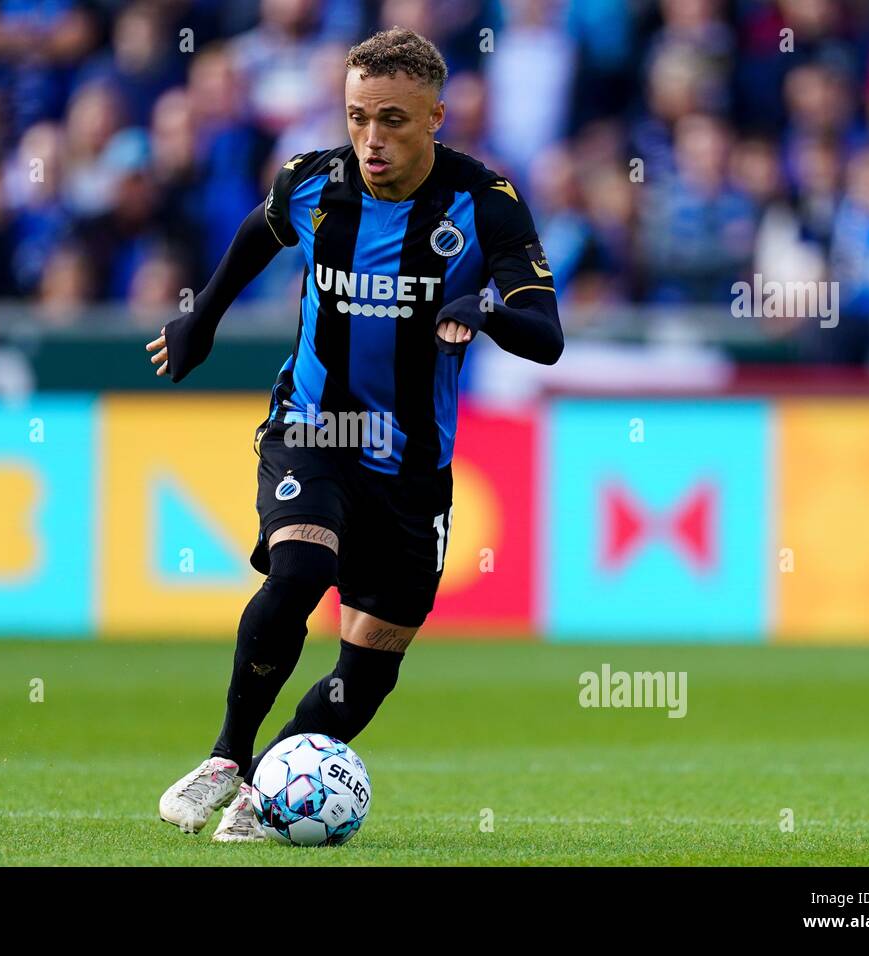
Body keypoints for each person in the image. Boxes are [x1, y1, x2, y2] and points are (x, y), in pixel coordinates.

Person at [144, 28, 564, 842]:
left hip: (413, 461)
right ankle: (227, 756)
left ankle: (268, 796)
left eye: (395, 120)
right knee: (301, 567)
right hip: (315, 423)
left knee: (365, 674)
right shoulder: (313, 182)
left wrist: (482, 310)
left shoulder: (487, 203)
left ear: (437, 116)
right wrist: (201, 318)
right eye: (358, 116)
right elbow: (255, 235)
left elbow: (545, 332)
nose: (372, 139)